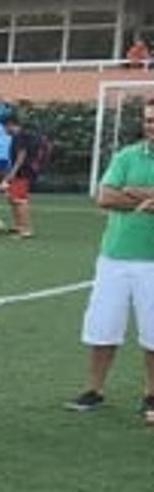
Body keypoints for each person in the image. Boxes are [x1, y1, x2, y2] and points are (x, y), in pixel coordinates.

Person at [66, 96, 154, 421]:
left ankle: (151, 395)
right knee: (102, 327)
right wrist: (146, 198)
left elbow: (118, 193)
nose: (150, 126)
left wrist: (133, 191)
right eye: (147, 120)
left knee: (153, 333)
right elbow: (104, 196)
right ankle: (94, 390)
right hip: (114, 256)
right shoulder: (127, 155)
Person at [0, 114, 45, 239]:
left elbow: (21, 155)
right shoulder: (21, 135)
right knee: (12, 198)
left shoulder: (19, 136)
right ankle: (18, 225)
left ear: (10, 124)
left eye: (4, 127)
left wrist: (12, 173)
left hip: (22, 171)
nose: (4, 130)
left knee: (19, 200)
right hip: (22, 170)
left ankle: (26, 230)